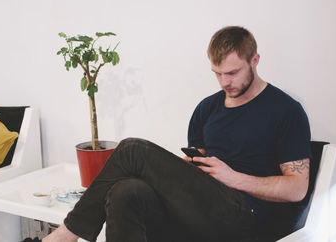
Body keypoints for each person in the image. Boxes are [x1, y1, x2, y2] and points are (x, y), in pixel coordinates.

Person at [43, 26, 311, 242]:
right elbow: (198, 167)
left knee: (132, 149)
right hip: (201, 208)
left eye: (232, 73)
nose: (224, 82)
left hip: (242, 215)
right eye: (217, 74)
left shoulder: (285, 111)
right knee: (126, 190)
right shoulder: (208, 108)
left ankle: (67, 234)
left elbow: (297, 188)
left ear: (255, 60)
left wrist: (233, 177)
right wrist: (187, 169)